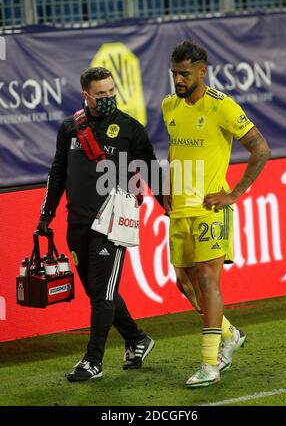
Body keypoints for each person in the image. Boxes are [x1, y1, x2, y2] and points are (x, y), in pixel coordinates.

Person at [37, 66, 164, 382]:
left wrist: (170, 209)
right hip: (75, 222)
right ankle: (137, 340)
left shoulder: (130, 129)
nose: (108, 97)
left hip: (112, 223)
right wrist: (46, 214)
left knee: (101, 295)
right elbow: (57, 172)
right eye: (101, 94)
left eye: (111, 91)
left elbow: (151, 173)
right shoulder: (70, 128)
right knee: (99, 291)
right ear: (86, 95)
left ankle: (93, 361)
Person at [162, 40, 271, 388]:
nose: (178, 80)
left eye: (184, 74)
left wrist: (234, 193)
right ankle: (230, 333)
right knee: (185, 282)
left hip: (210, 209)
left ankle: (209, 363)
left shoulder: (221, 106)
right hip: (180, 210)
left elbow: (260, 149)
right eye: (174, 73)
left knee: (208, 282)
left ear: (201, 71)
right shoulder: (169, 106)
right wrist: (167, 188)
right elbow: (174, 148)